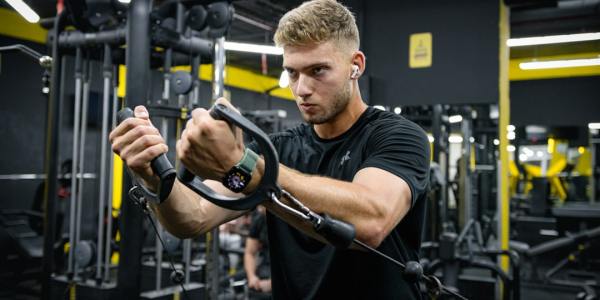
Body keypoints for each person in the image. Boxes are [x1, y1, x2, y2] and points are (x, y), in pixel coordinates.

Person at [109, 0, 430, 298]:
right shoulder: (278, 149)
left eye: (318, 70)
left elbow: (371, 222)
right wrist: (153, 175)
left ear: (355, 65)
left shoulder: (397, 136)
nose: (302, 89)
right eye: (292, 72)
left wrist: (242, 167)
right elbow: (192, 218)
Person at [244, 207, 271, 297]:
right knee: (224, 283)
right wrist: (251, 277)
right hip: (264, 269)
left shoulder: (291, 222)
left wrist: (272, 284)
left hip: (285, 276)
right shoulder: (260, 219)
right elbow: (249, 253)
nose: (259, 209)